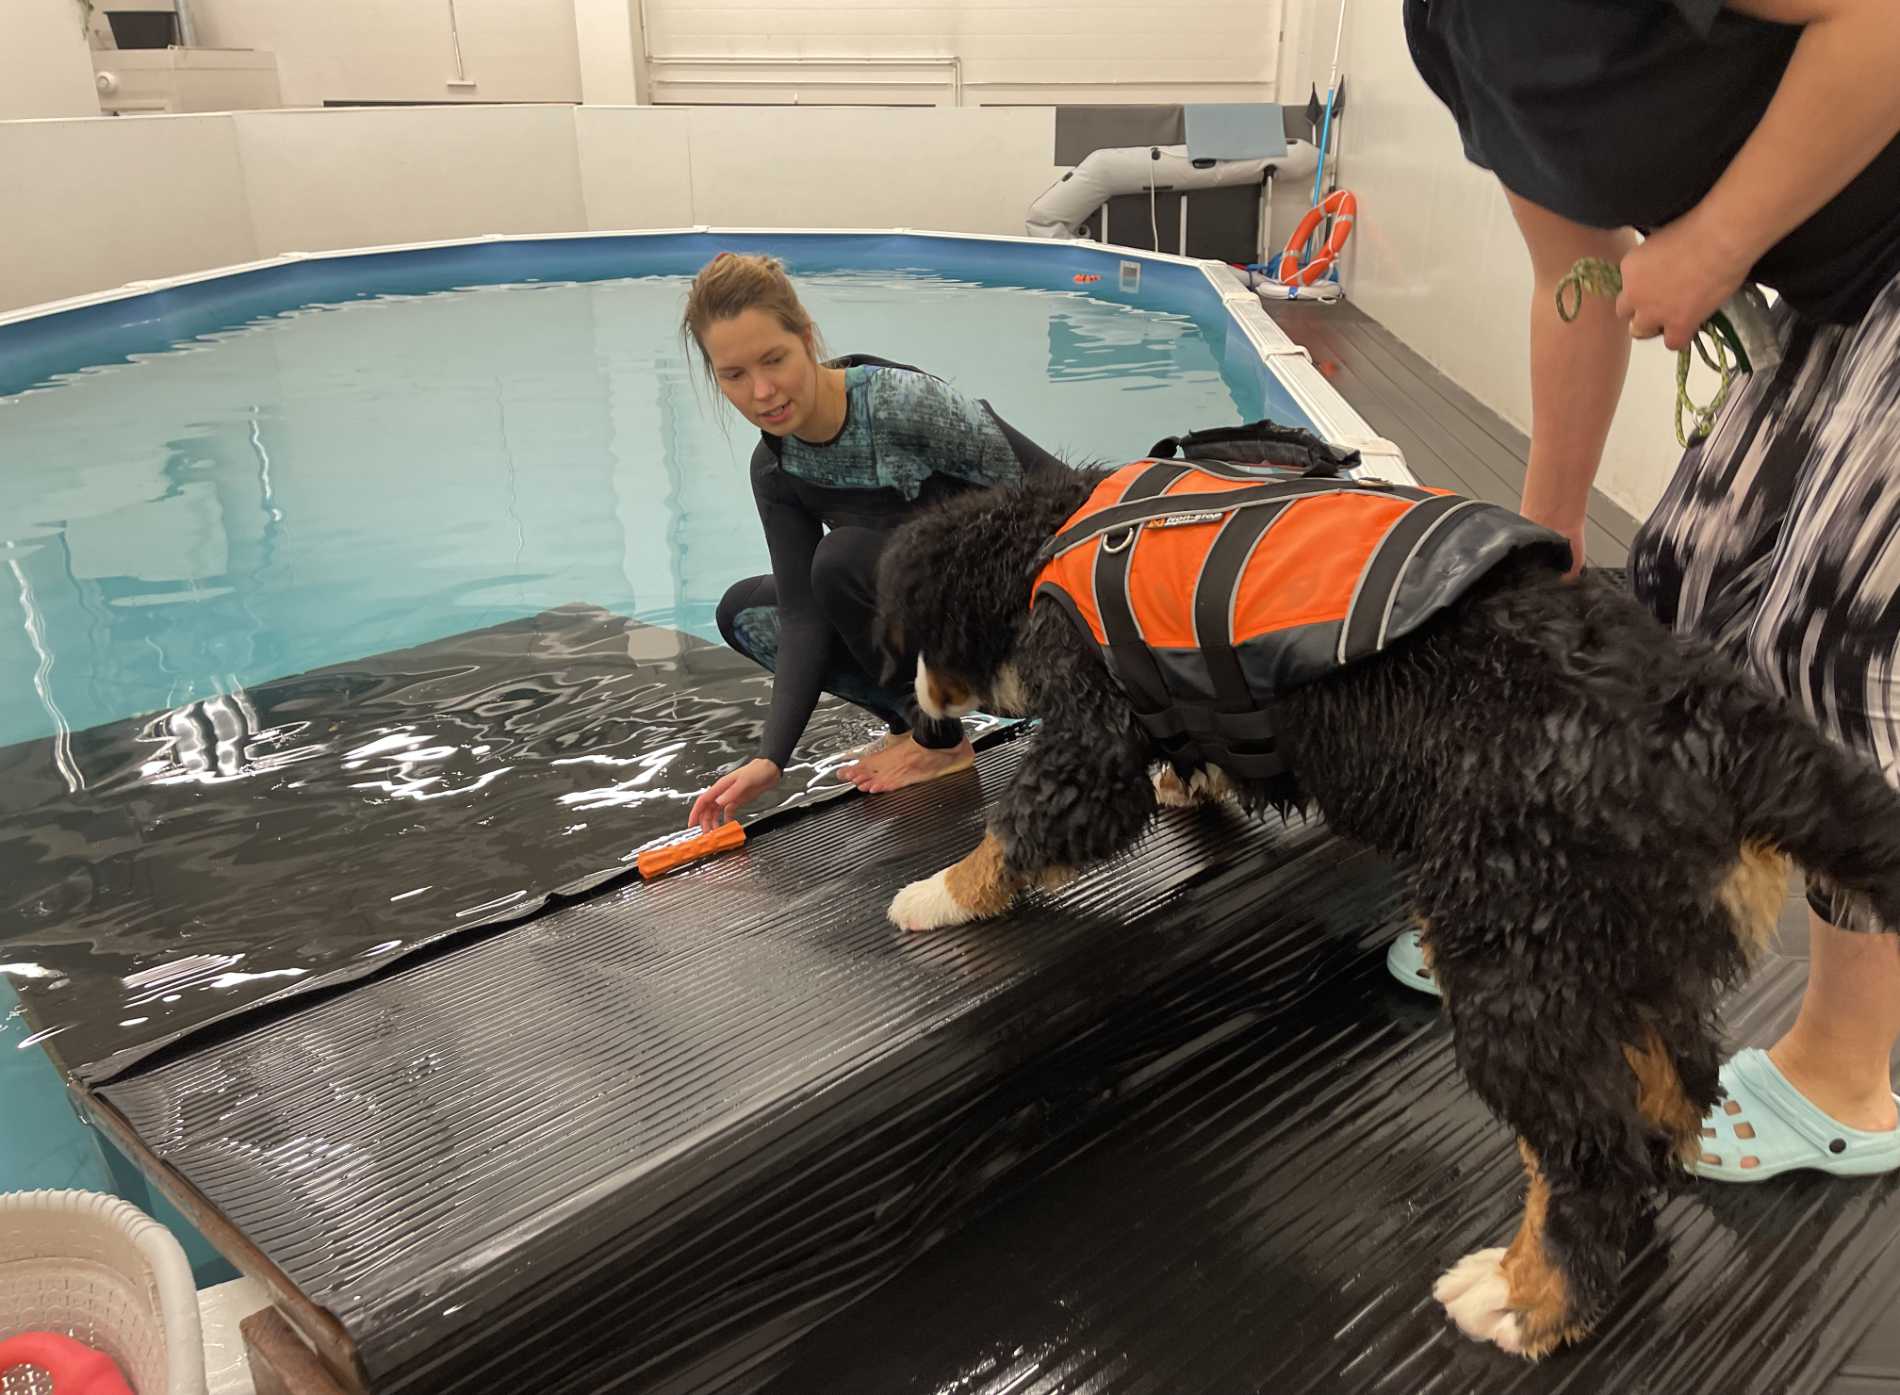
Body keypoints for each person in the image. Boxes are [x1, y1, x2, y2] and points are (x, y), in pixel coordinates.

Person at [1390, 0, 1900, 1179]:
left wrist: (1717, 239)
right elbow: (1574, 279)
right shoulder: (1448, 31)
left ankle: (1847, 1072)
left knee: (1824, 638)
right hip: (1839, 291)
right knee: (1673, 588)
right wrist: (1547, 536)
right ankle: (1588, 932)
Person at [682, 252, 1063, 835]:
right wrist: (771, 757)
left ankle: (938, 739)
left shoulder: (901, 404)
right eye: (734, 375)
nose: (761, 391)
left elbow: (1066, 496)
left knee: (842, 561)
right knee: (748, 613)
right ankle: (925, 726)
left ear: (806, 338)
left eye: (774, 360)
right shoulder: (777, 468)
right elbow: (803, 615)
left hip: (1030, 640)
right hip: (943, 664)